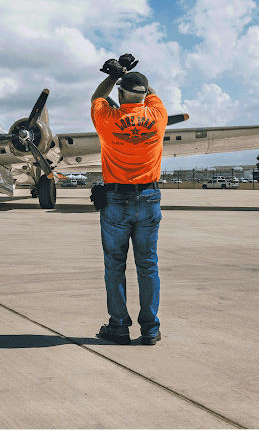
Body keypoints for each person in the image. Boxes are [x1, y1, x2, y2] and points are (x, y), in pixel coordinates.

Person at [91, 55, 167, 346]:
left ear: (120, 95)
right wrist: (132, 75)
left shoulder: (107, 118)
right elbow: (151, 93)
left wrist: (115, 75)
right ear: (146, 94)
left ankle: (119, 327)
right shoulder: (158, 116)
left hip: (116, 200)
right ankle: (150, 330)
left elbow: (98, 97)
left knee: (115, 265)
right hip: (149, 197)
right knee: (148, 265)